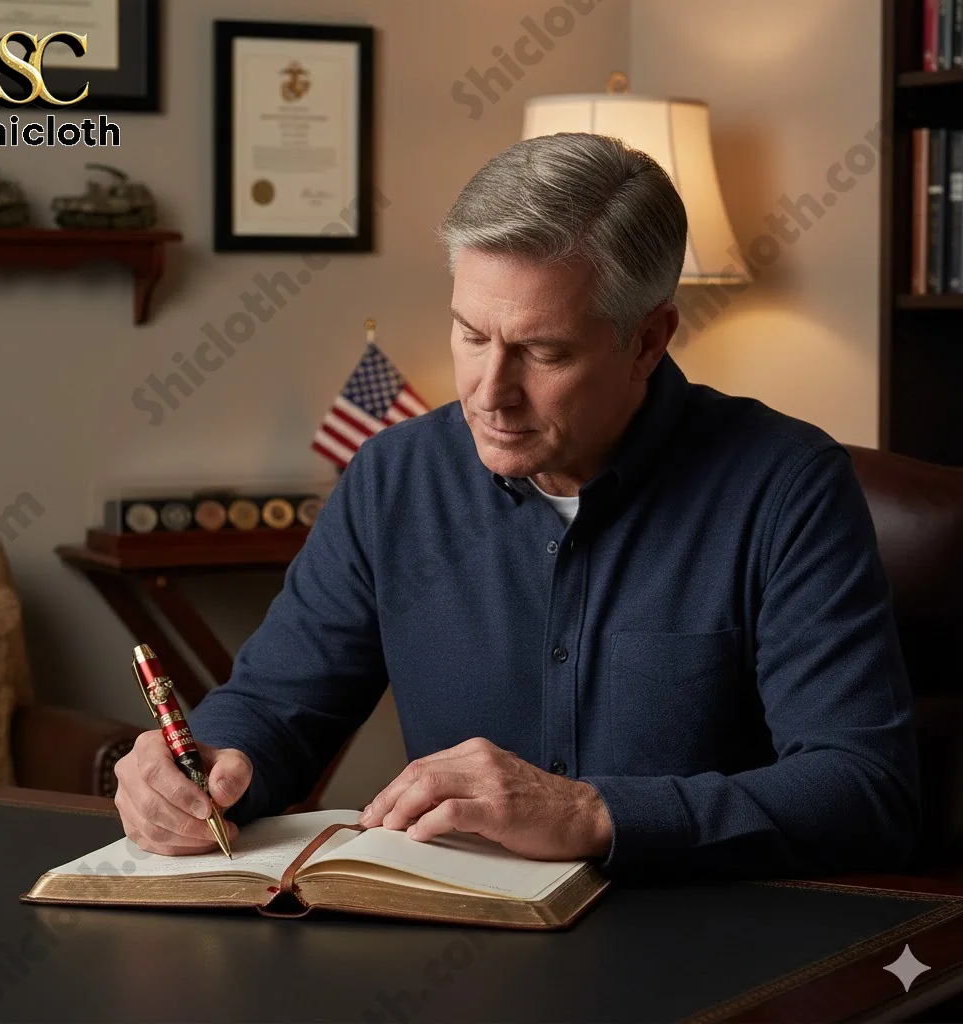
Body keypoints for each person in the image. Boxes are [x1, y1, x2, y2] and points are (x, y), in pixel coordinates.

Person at [112, 132, 920, 878]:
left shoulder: (787, 487)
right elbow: (276, 706)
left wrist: (594, 814)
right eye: (471, 334)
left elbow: (865, 791)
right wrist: (207, 767)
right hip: (457, 960)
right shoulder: (394, 478)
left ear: (648, 338)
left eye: (542, 351)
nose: (489, 394)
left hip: (700, 947)